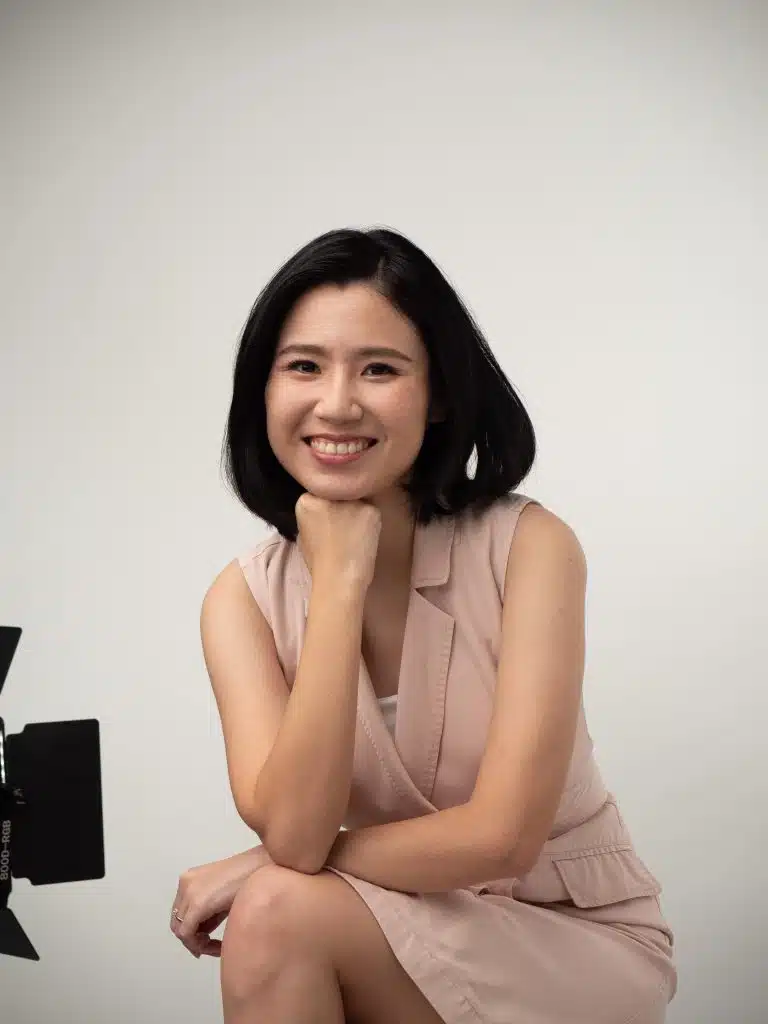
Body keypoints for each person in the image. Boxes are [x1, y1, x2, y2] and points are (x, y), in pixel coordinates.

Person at [170, 227, 677, 1023]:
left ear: (438, 393)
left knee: (273, 901)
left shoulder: (530, 547)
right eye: (303, 366)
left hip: (570, 933)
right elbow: (297, 837)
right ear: (263, 391)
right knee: (280, 905)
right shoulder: (241, 601)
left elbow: (503, 837)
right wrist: (337, 585)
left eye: (379, 368)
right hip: (393, 923)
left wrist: (260, 863)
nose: (336, 403)